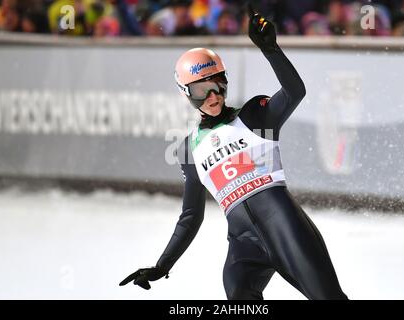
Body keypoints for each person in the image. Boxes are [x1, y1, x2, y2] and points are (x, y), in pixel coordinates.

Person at [120, 4, 348, 300]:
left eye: (217, 86)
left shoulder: (255, 116)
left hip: (286, 228)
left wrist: (271, 49)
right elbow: (191, 217)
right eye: (201, 91)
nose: (212, 97)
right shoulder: (188, 149)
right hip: (244, 244)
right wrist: (162, 265)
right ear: (186, 94)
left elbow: (294, 92)